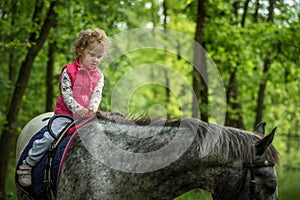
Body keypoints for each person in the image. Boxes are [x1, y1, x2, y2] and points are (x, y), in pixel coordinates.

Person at [17, 28, 111, 187]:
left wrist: (93, 108)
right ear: (80, 50)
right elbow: (67, 95)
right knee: (49, 137)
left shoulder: (99, 75)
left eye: (99, 56)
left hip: (88, 116)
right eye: (92, 54)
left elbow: (97, 94)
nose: (95, 60)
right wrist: (78, 109)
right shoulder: (69, 71)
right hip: (66, 114)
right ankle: (27, 165)